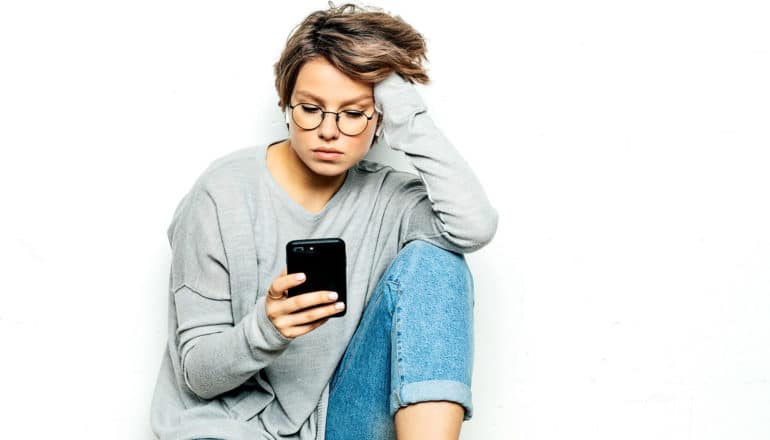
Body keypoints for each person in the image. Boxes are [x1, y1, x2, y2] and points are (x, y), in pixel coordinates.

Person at [150, 3, 498, 439]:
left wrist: (406, 115)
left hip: (337, 422)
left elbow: (473, 226)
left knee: (440, 263)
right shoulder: (222, 195)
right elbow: (198, 374)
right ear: (285, 103)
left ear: (379, 119)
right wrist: (266, 328)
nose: (329, 131)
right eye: (311, 109)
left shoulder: (391, 199)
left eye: (353, 114)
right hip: (227, 427)